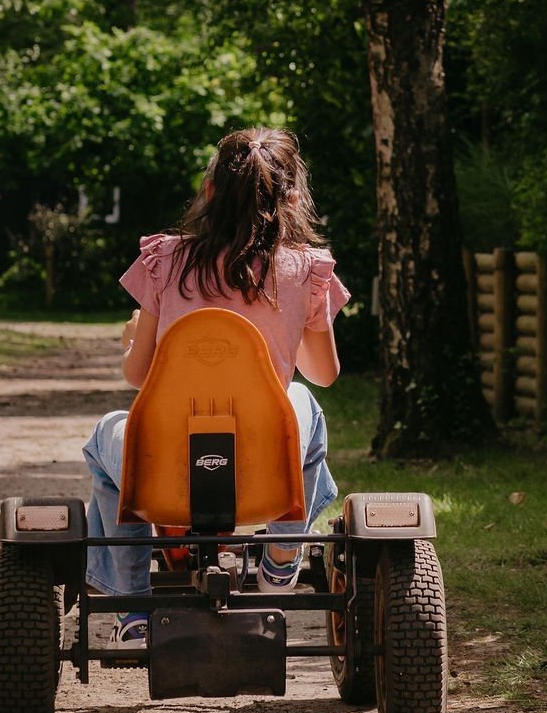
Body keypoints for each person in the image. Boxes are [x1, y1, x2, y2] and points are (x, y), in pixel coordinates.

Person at [84, 127, 349, 648]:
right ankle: (282, 554)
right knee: (305, 404)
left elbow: (137, 376)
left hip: (166, 470)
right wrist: (288, 328)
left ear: (209, 191)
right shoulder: (305, 270)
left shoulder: (166, 261)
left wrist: (138, 337)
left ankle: (134, 609)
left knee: (105, 437)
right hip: (264, 472)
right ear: (293, 198)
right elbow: (323, 373)